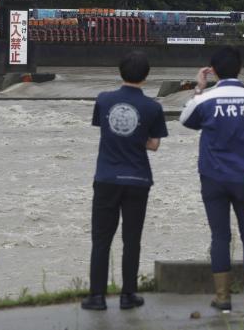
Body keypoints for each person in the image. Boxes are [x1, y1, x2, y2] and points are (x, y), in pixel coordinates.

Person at [180, 46, 244, 311]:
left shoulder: (206, 100)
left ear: (214, 71)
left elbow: (185, 120)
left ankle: (222, 297)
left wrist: (199, 88)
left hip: (213, 177)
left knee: (220, 236)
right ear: (240, 69)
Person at [81, 51, 168, 311]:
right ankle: (128, 295)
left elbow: (105, 129)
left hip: (106, 177)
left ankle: (96, 296)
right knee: (132, 240)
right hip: (138, 179)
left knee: (101, 239)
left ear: (120, 72)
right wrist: (137, 136)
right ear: (147, 75)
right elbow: (154, 145)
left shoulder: (104, 100)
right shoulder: (153, 107)